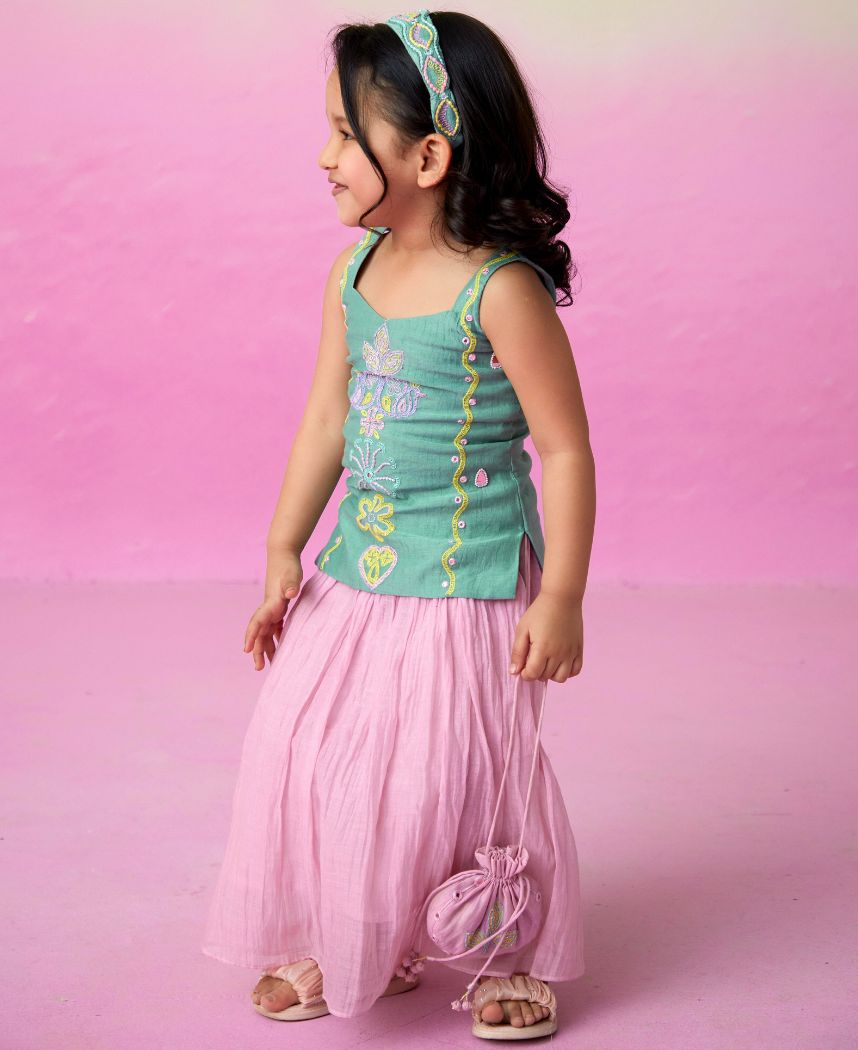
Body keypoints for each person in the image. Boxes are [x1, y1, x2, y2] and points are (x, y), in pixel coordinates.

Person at [201, 7, 595, 1041]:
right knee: (310, 740)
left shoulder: (499, 291)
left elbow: (565, 450)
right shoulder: (355, 274)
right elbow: (327, 416)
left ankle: (502, 951)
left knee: (456, 764)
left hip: (469, 574)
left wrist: (561, 596)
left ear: (427, 156)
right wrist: (283, 547)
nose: (322, 156)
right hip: (359, 567)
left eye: (345, 133)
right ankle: (356, 934)